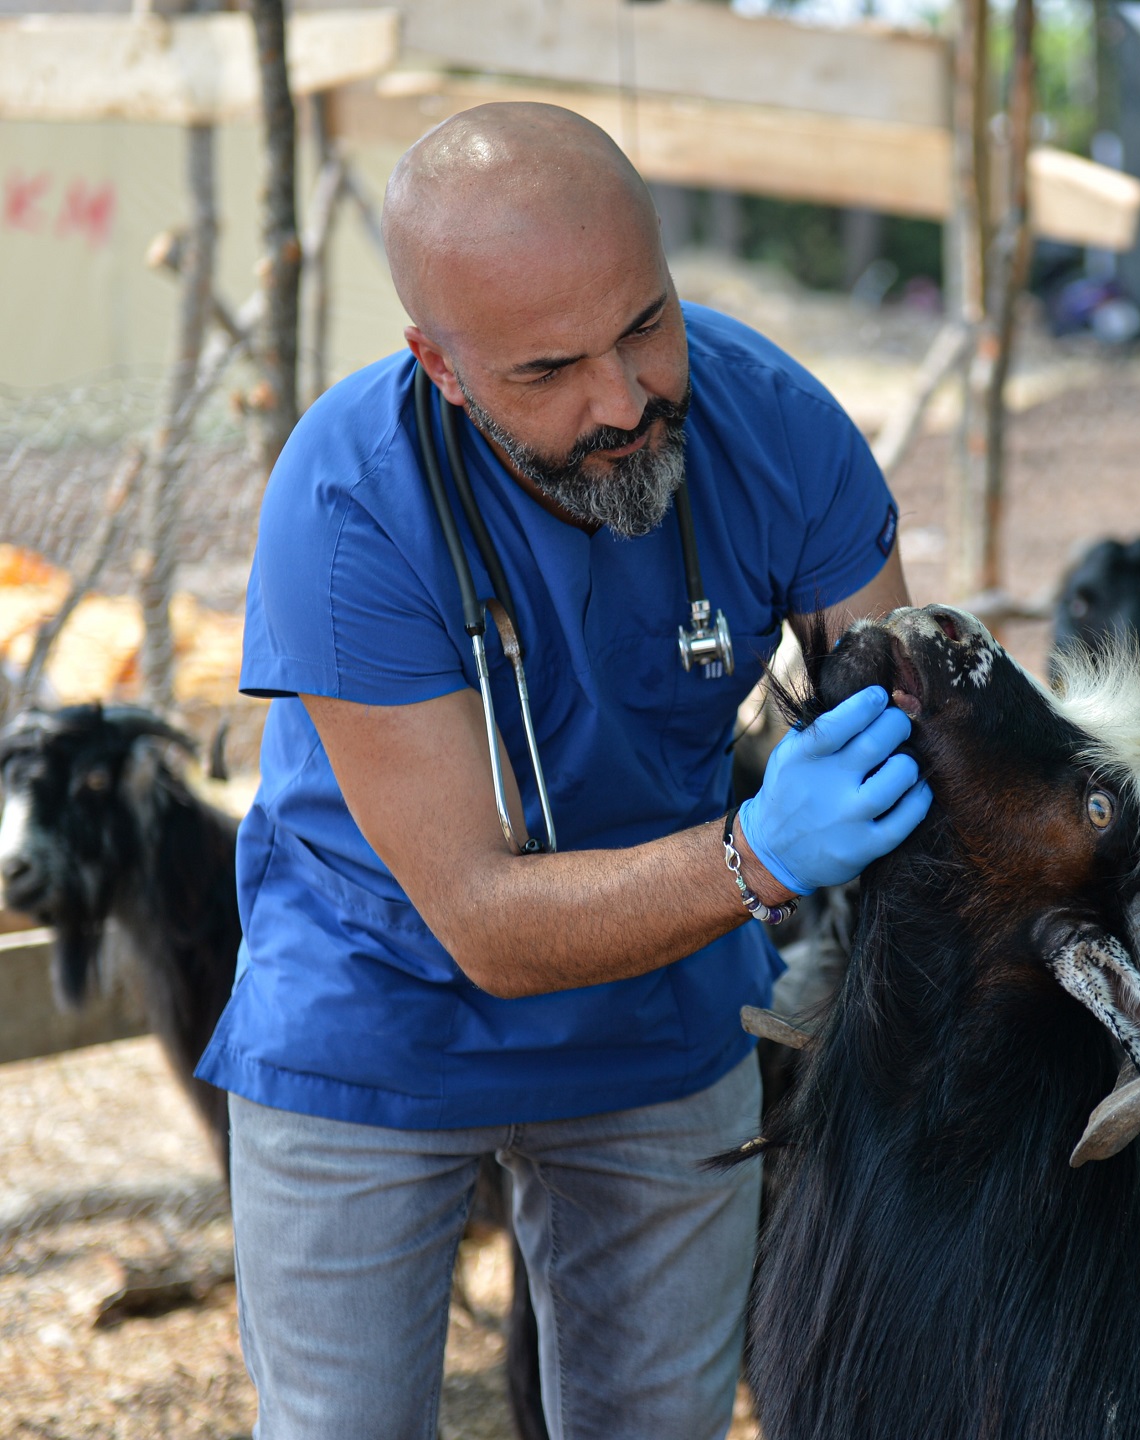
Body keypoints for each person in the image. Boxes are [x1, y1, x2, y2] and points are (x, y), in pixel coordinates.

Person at [194, 102, 932, 1438]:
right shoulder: (351, 500)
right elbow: (480, 923)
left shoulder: (774, 428)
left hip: (662, 1011)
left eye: (645, 325)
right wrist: (759, 855)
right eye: (548, 372)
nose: (624, 399)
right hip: (383, 1010)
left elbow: (912, 708)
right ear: (444, 366)